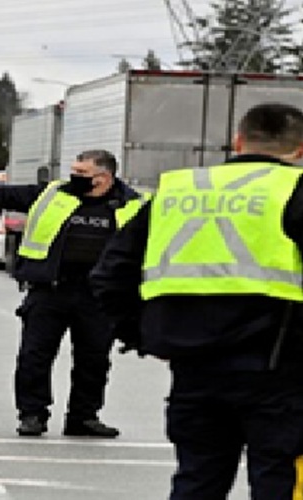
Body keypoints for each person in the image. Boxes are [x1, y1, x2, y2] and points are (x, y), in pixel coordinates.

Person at [89, 103, 303, 499]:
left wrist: (143, 335)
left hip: (193, 366)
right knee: (277, 480)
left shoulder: (178, 189)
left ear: (237, 141)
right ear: (300, 149)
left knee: (197, 479)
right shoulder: (294, 189)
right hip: (277, 369)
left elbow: (109, 275)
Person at [0, 150, 148, 438]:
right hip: (50, 291)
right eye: (73, 171)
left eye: (81, 173)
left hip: (98, 297)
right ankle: (32, 414)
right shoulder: (53, 194)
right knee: (34, 357)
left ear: (104, 178)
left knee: (94, 361)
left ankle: (83, 417)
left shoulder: (133, 206)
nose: (73, 177)